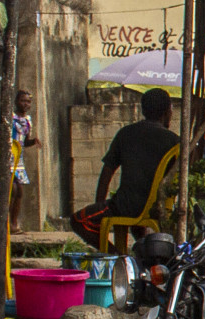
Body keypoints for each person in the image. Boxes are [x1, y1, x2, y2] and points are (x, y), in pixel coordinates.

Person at [73, 89, 180, 247]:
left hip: (125, 206)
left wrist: (100, 203)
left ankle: (115, 256)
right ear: (167, 112)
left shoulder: (126, 133)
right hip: (158, 208)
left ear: (143, 110)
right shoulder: (174, 142)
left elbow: (107, 172)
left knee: (77, 220)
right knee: (138, 226)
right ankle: (141, 254)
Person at [9, 89, 39, 234]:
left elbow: (25, 142)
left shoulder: (28, 121)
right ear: (16, 102)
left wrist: (33, 141)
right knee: (12, 190)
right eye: (22, 100)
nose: (25, 104)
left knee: (19, 191)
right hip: (8, 157)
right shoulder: (10, 118)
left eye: (28, 101)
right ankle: (8, 223)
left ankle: (13, 224)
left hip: (19, 160)